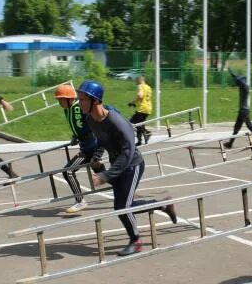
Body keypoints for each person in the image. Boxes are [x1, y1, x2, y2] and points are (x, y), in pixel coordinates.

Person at [77, 79, 177, 256]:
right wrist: (97, 156)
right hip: (118, 165)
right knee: (122, 207)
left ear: (95, 101)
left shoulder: (116, 121)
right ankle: (162, 205)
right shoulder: (91, 119)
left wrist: (105, 176)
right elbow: (101, 139)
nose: (80, 102)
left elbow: (128, 152)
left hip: (132, 165)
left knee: (123, 206)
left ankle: (136, 241)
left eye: (83, 99)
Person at [54, 83, 101, 214]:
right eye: (58, 100)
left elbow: (90, 123)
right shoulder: (67, 109)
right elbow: (78, 126)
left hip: (90, 146)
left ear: (69, 99)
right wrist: (75, 136)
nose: (59, 102)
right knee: (103, 174)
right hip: (85, 145)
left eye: (61, 99)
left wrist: (97, 149)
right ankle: (122, 185)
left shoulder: (78, 107)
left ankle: (80, 201)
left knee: (68, 171)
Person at [223, 67, 252, 149]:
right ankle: (230, 144)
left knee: (247, 127)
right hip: (243, 111)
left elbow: (238, 79)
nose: (237, 84)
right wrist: (231, 72)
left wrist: (234, 75)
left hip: (243, 111)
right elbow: (237, 78)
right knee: (238, 127)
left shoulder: (245, 88)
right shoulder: (244, 87)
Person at [128, 75, 153, 146]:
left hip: (142, 108)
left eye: (136, 80)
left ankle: (147, 132)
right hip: (148, 108)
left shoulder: (141, 86)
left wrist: (132, 102)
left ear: (140, 80)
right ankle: (139, 141)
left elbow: (140, 95)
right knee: (140, 123)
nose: (136, 82)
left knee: (132, 122)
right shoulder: (148, 87)